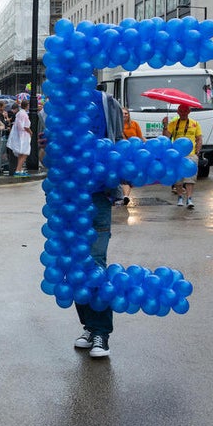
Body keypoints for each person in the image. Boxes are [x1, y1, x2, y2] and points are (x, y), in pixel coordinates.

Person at [73, 91, 123, 358]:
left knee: (94, 263)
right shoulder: (58, 103)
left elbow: (119, 142)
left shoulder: (106, 102)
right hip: (67, 201)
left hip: (97, 196)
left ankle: (102, 332)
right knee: (73, 269)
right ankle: (90, 327)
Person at [163, 104, 202, 209]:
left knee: (190, 178)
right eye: (181, 111)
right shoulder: (173, 123)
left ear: (189, 112)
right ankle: (180, 197)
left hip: (191, 155)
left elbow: (198, 138)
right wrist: (165, 125)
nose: (183, 113)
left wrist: (197, 151)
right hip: (177, 155)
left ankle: (189, 198)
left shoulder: (195, 124)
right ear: (178, 112)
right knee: (178, 178)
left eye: (185, 111)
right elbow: (166, 137)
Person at [120, 107, 144, 205]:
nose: (125, 115)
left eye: (126, 113)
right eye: (122, 113)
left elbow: (140, 137)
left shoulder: (134, 124)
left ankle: (125, 196)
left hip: (133, 153)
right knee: (123, 175)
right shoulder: (117, 125)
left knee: (129, 174)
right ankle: (124, 195)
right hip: (122, 153)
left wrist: (147, 144)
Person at [7, 99, 32, 176]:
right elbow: (25, 126)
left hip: (19, 135)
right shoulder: (24, 114)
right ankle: (18, 170)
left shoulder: (19, 113)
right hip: (23, 136)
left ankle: (19, 169)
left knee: (21, 154)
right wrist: (31, 132)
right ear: (27, 106)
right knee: (24, 153)